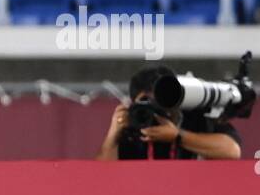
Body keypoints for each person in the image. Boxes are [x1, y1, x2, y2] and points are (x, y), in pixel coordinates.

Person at [97, 65, 242, 161]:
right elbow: (101, 177)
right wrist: (113, 136)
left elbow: (232, 151)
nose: (156, 107)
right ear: (133, 102)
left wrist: (178, 137)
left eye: (162, 100)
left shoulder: (195, 116)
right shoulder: (131, 125)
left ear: (177, 98)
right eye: (146, 100)